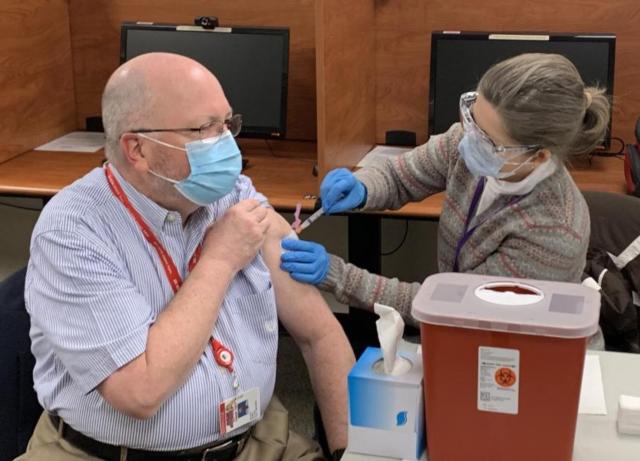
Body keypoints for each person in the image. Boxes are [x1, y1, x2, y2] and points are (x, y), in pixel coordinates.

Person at [18, 52, 354, 461]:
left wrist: (349, 453)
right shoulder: (73, 231)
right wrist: (219, 259)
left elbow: (320, 336)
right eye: (203, 129)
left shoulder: (233, 196)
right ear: (137, 149)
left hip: (256, 442)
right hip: (111, 454)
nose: (227, 143)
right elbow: (140, 391)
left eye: (228, 123)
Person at [281, 53, 611, 324]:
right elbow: (400, 176)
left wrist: (338, 276)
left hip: (515, 350)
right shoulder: (468, 143)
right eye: (471, 119)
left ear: (538, 156)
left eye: (487, 140)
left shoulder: (554, 229)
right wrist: (364, 185)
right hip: (458, 327)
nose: (467, 140)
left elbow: (455, 308)